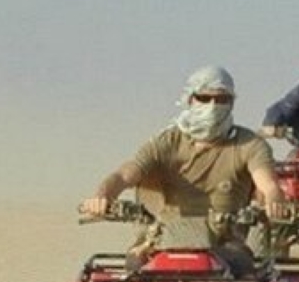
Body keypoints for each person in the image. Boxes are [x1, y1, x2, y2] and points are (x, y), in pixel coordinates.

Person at [80, 65, 287, 270]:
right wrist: (103, 195)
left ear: (232, 103)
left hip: (225, 241)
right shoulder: (166, 142)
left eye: (222, 99)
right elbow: (126, 174)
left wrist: (274, 199)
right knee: (135, 268)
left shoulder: (249, 144)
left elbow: (267, 183)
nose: (213, 106)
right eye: (204, 98)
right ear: (190, 99)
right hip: (161, 238)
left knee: (240, 267)